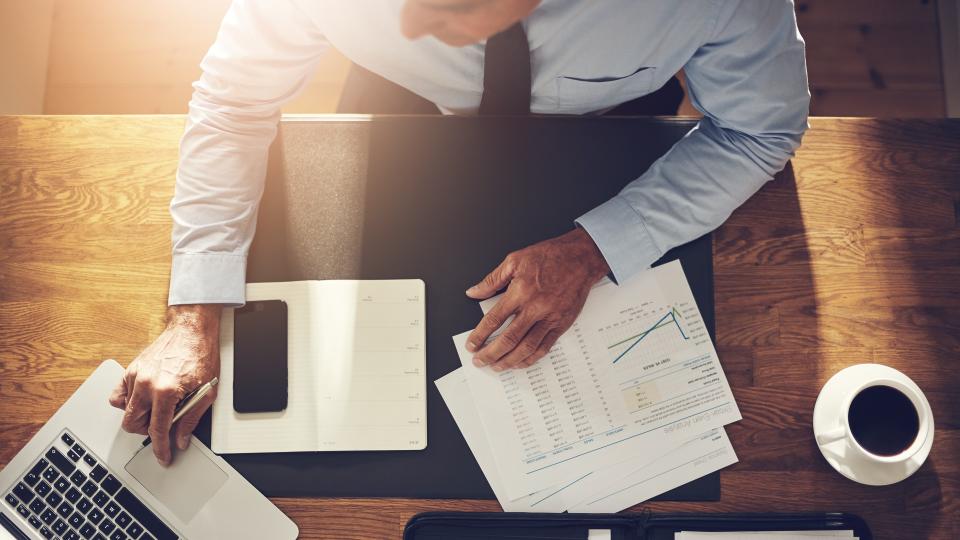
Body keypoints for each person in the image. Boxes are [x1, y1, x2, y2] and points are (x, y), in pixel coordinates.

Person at [109, 0, 810, 465]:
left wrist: (598, 246)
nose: (408, 21)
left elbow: (760, 131)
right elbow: (234, 101)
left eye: (446, 4)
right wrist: (194, 308)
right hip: (394, 116)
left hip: (601, 135)